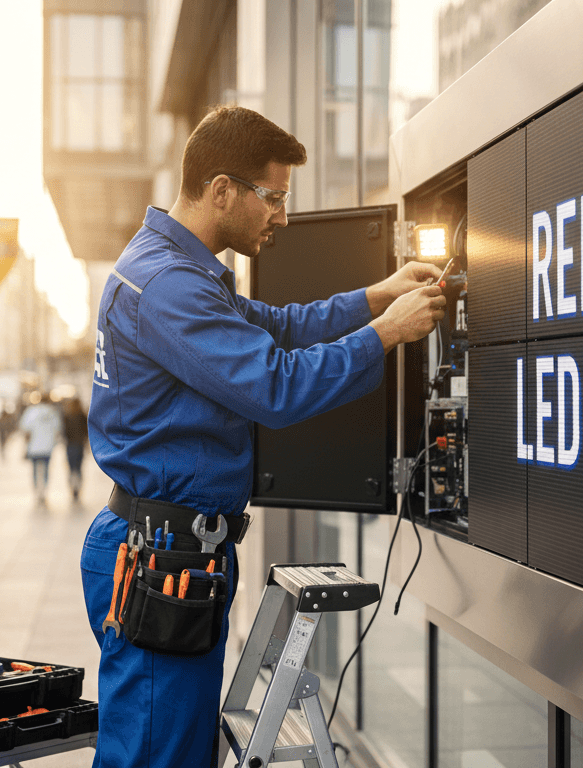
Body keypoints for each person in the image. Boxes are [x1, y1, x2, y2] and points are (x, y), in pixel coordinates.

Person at [80, 105, 445, 767]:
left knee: (177, 754)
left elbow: (277, 326)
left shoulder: (175, 268)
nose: (282, 215)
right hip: (161, 558)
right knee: (158, 759)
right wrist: (386, 334)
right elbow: (273, 386)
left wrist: (374, 296)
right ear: (222, 190)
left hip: (170, 550)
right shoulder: (170, 285)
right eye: (273, 197)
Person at [19, 393, 62, 502]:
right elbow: (58, 429)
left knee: (34, 470)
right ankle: (44, 489)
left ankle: (37, 490)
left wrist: (25, 444)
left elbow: (25, 428)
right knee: (46, 469)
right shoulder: (53, 412)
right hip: (48, 447)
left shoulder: (31, 411)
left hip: (34, 447)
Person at [62, 397, 89, 500]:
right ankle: (78, 487)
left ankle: (72, 487)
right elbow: (86, 432)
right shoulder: (82, 415)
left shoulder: (67, 416)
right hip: (80, 445)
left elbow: (64, 432)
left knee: (71, 468)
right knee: (79, 468)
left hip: (70, 445)